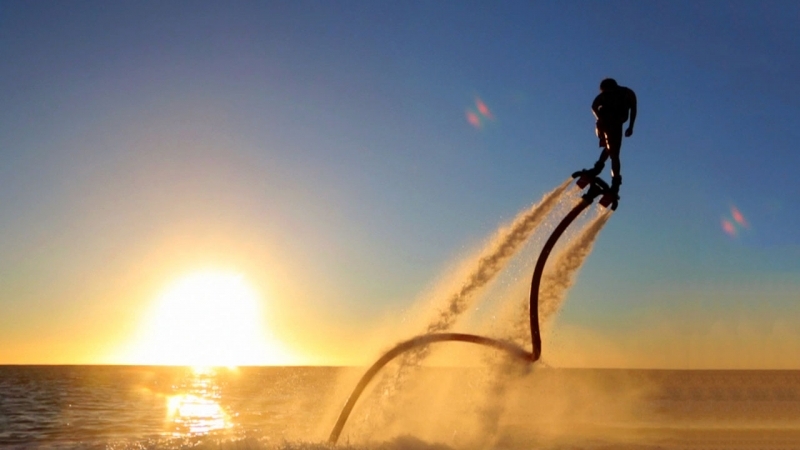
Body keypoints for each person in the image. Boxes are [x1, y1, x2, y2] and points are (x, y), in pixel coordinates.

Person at [585, 78, 637, 194]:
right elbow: (594, 106)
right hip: (607, 124)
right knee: (613, 152)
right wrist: (600, 118)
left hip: (613, 124)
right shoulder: (624, 93)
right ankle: (613, 180)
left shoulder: (627, 93)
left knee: (612, 150)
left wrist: (631, 126)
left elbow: (633, 109)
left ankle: (603, 173)